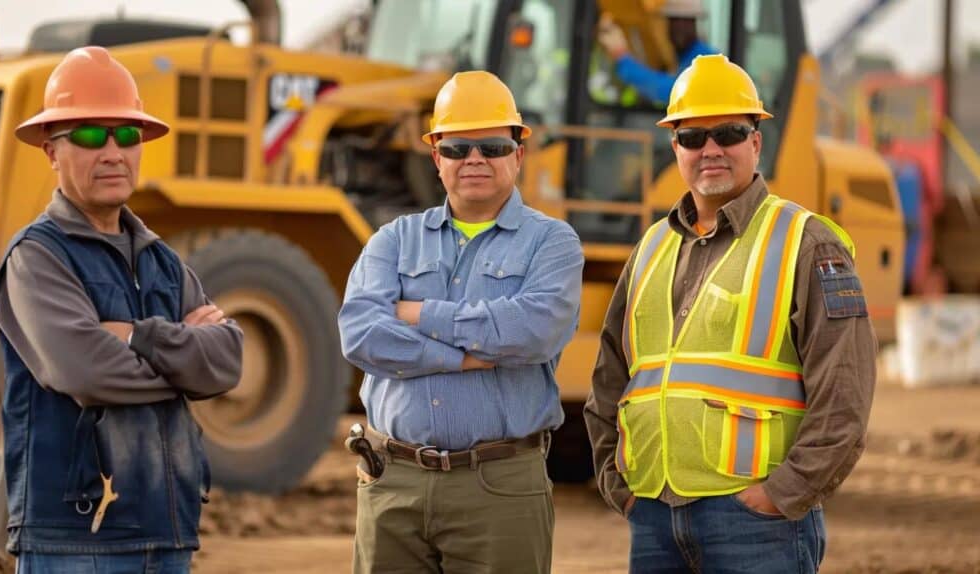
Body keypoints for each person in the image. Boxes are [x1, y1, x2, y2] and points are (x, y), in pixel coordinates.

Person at [584, 54, 876, 573]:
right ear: (674, 146)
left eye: (729, 133)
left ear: (756, 142)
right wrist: (617, 481)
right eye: (693, 137)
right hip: (654, 516)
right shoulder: (651, 247)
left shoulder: (804, 241)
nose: (711, 149)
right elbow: (611, 374)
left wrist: (785, 493)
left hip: (756, 523)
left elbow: (845, 389)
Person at [0, 46, 243, 572]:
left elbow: (227, 361)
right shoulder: (36, 258)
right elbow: (86, 371)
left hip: (165, 529)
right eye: (88, 134)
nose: (112, 151)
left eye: (126, 135)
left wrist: (137, 337)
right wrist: (183, 359)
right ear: (50, 151)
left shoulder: (162, 262)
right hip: (75, 539)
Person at [337, 70, 584, 574]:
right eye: (457, 148)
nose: (474, 158)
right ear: (436, 157)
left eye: (491, 146)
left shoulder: (552, 244)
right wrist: (461, 357)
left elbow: (532, 331)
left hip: (500, 489)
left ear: (518, 153)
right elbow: (360, 335)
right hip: (393, 484)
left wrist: (418, 313)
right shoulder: (393, 239)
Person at [597, 0, 717, 105]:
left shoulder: (707, 60)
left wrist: (622, 57)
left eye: (687, 21)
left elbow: (672, 91)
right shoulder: (675, 58)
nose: (681, 28)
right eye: (674, 21)